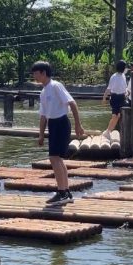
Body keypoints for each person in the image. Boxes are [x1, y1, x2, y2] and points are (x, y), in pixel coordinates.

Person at [32, 61, 85, 205]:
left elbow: (72, 103)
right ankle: (66, 192)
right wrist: (41, 134)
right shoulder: (43, 92)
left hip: (61, 122)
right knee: (57, 159)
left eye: (35, 73)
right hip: (53, 124)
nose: (34, 76)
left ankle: (62, 192)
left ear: (43, 72)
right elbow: (43, 115)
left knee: (54, 158)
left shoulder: (55, 86)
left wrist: (78, 125)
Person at [101, 60, 128, 139]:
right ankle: (107, 131)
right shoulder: (114, 76)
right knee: (115, 116)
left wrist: (126, 92)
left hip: (122, 97)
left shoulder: (123, 76)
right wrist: (104, 98)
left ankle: (109, 131)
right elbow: (109, 88)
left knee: (119, 116)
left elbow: (125, 87)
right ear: (123, 68)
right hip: (115, 97)